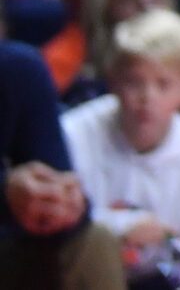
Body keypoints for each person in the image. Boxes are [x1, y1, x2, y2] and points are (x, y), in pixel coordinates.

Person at [58, 10, 180, 288]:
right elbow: (53, 223)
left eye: (163, 84)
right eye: (135, 82)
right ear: (113, 82)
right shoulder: (73, 133)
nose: (147, 98)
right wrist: (121, 227)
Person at [2, 33, 123, 289]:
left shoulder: (18, 69)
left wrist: (63, 204)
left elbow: (55, 179)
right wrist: (5, 192)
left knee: (94, 240)